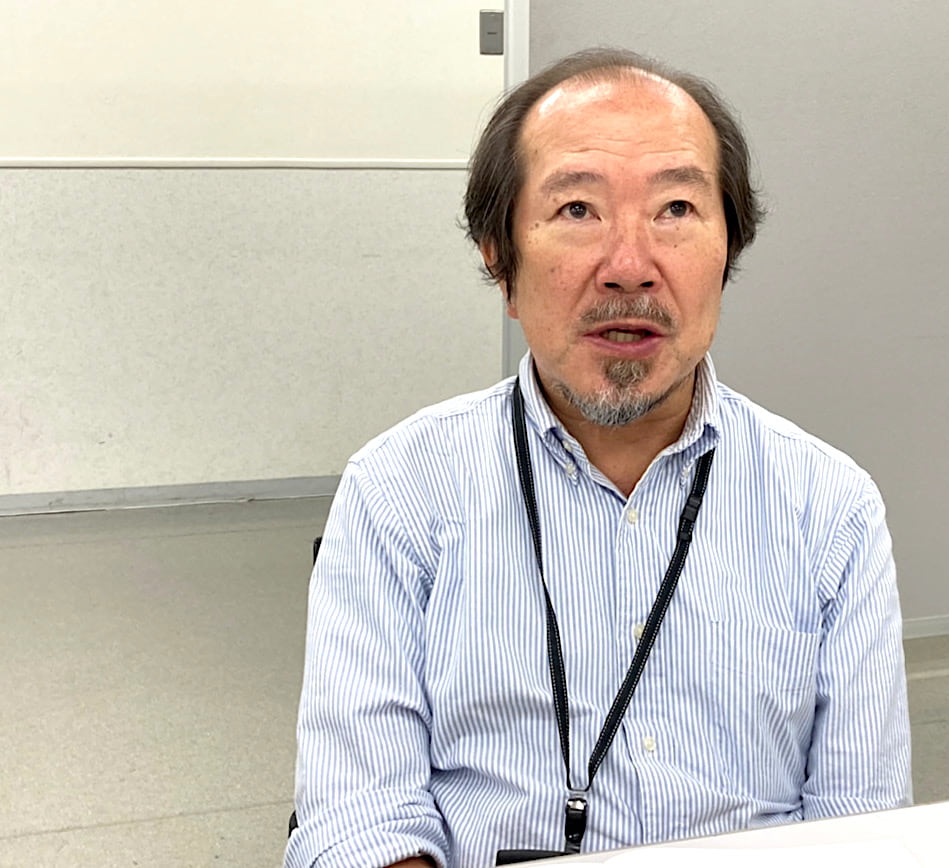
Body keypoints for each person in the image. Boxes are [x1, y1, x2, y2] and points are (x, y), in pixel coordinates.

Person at [285, 48, 911, 868]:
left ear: (729, 252)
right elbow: (362, 815)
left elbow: (864, 825)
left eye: (676, 208)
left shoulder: (829, 506)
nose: (629, 267)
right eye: (577, 209)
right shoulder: (399, 490)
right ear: (499, 258)